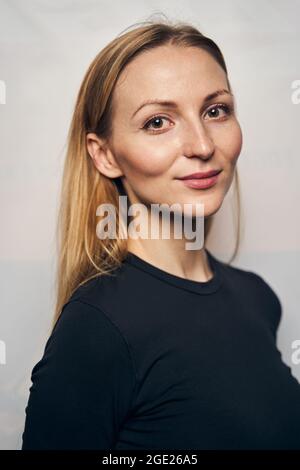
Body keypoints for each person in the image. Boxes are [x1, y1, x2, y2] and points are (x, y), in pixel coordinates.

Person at [21, 18, 300, 450]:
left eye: (215, 110)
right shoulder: (96, 329)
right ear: (106, 155)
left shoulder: (257, 297)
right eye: (158, 122)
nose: (203, 144)